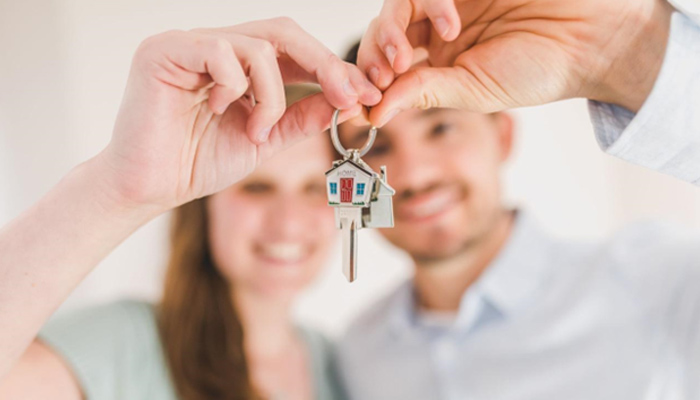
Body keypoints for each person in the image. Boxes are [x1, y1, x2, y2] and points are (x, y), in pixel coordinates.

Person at [334, 0, 700, 398]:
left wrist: (624, 47)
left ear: (502, 136)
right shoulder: (356, 352)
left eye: (440, 127)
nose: (413, 176)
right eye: (374, 146)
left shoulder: (654, 278)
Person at [0, 18, 381, 396]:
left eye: (314, 188)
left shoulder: (342, 365)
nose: (289, 222)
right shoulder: (122, 344)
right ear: (205, 207)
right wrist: (116, 190)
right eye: (258, 188)